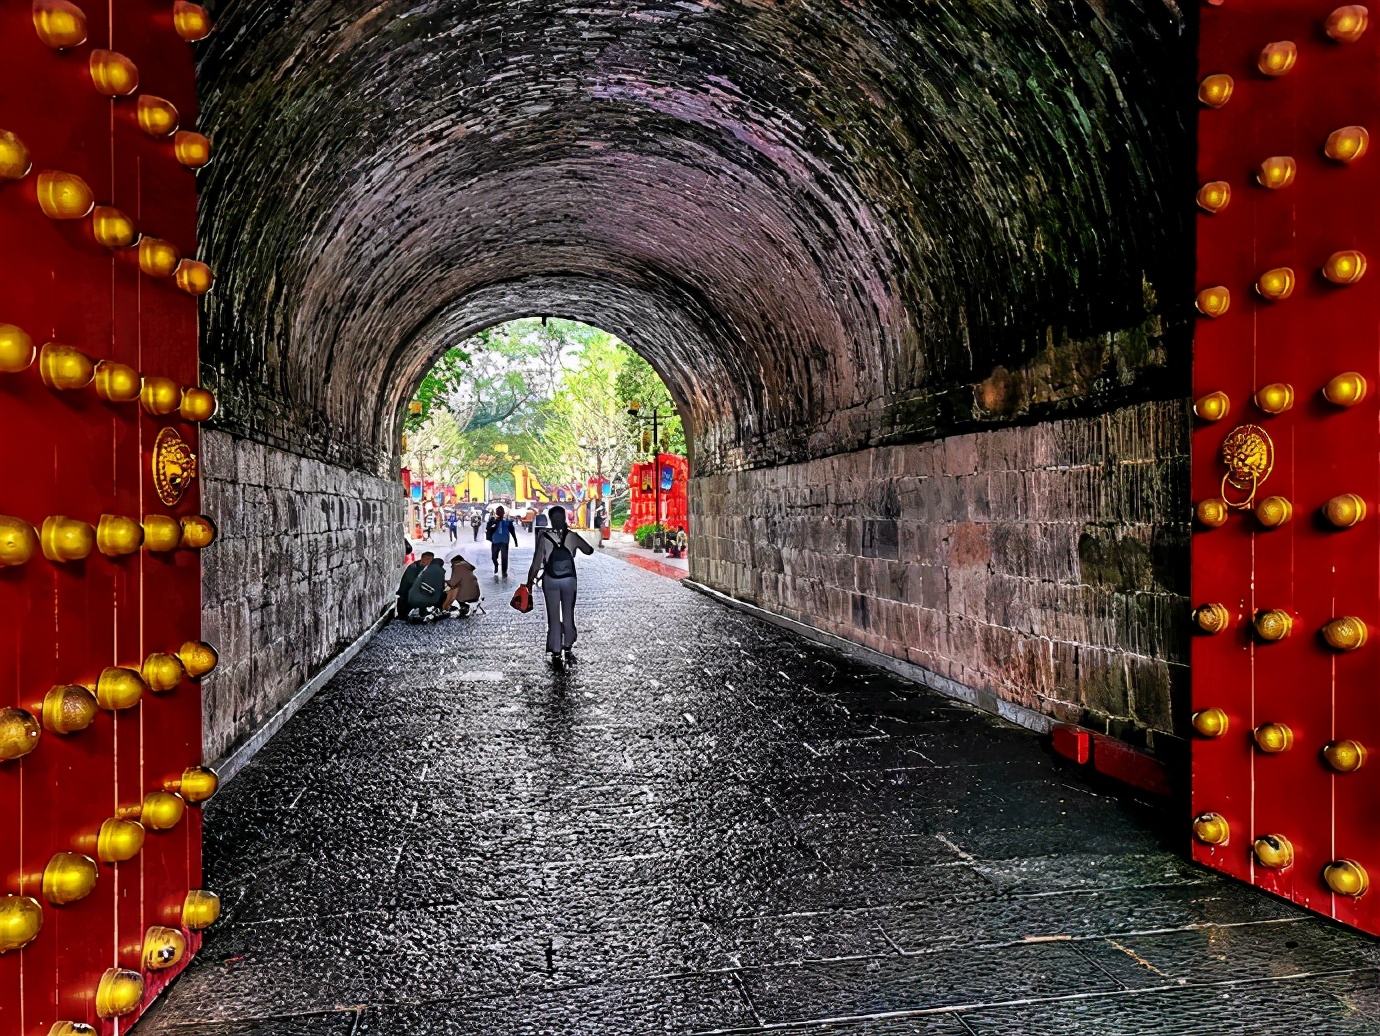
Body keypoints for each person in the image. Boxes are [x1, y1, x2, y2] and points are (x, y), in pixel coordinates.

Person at [527, 506, 594, 666]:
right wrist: (575, 543)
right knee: (568, 613)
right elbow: (589, 550)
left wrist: (529, 581)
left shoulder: (544, 537)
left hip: (550, 580)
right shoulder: (572, 536)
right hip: (569, 580)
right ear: (564, 518)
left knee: (553, 615)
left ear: (550, 519)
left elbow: (537, 561)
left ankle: (556, 650)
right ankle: (568, 646)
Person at [405, 555, 448, 622]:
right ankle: (437, 611)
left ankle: (422, 612)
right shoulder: (439, 571)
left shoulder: (424, 570)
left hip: (411, 598)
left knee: (426, 591)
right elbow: (441, 587)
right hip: (426, 599)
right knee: (443, 594)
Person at [396, 550, 434, 618]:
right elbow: (410, 581)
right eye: (427, 559)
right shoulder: (413, 567)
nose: (429, 561)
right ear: (422, 558)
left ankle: (422, 612)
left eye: (430, 559)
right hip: (408, 589)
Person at [486, 505, 519, 578]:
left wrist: (515, 541)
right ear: (496, 513)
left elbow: (512, 532)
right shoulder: (492, 521)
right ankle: (496, 565)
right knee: (494, 557)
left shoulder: (508, 522)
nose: (500, 513)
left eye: (501, 512)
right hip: (495, 542)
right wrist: (494, 524)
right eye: (498, 512)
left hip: (504, 542)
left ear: (503, 513)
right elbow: (488, 529)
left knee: (504, 558)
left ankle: (504, 572)